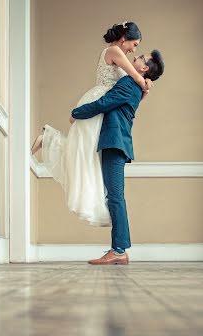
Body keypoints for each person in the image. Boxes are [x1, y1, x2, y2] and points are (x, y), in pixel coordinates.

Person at [31, 21, 152, 226]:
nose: (134, 49)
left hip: (106, 108)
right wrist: (145, 83)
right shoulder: (114, 50)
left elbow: (131, 90)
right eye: (135, 44)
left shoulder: (119, 53)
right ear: (124, 39)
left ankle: (48, 139)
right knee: (84, 154)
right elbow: (135, 77)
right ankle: (48, 139)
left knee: (85, 154)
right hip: (99, 103)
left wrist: (143, 89)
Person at [70, 49, 165, 265]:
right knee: (115, 195)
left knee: (115, 196)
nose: (137, 55)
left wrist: (75, 113)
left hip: (115, 142)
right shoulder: (136, 85)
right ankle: (119, 249)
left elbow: (104, 102)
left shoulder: (130, 84)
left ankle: (119, 250)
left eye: (142, 57)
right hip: (116, 142)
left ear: (144, 68)